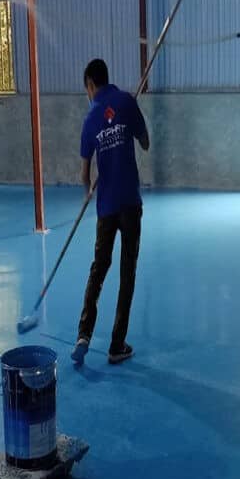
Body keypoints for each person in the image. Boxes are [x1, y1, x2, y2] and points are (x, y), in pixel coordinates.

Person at [71, 59, 149, 365]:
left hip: (106, 207)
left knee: (99, 268)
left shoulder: (91, 118)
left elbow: (84, 174)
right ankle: (117, 346)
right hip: (130, 202)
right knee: (127, 272)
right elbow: (145, 143)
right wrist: (128, 128)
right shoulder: (127, 101)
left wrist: (87, 192)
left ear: (91, 85)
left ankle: (83, 334)